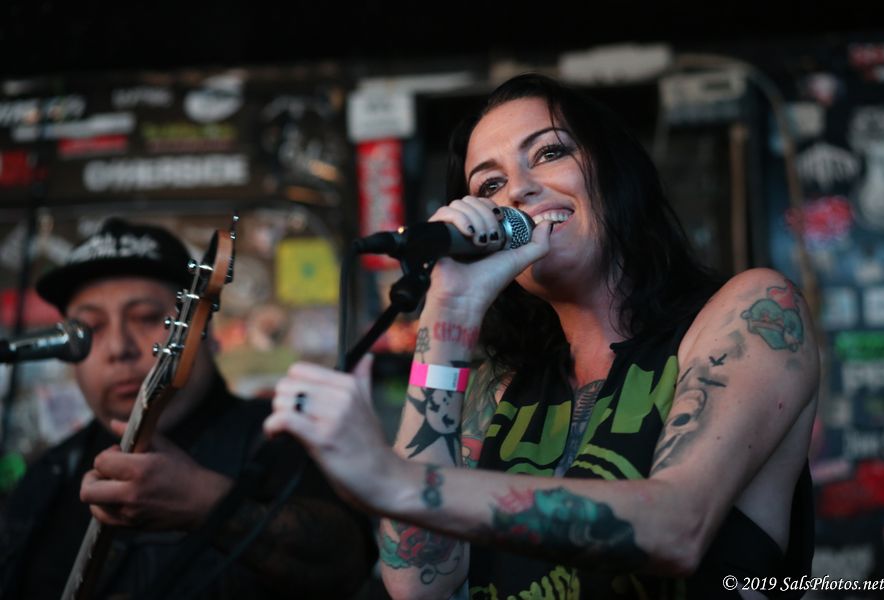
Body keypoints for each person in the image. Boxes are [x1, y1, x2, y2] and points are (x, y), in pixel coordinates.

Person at [265, 73, 819, 599]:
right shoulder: (499, 387)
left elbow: (679, 527)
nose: (520, 191)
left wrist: (395, 481)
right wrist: (449, 312)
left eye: (550, 153)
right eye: (491, 184)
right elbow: (418, 582)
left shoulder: (753, 311)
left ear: (614, 170)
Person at [0, 218, 375, 599]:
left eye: (147, 317)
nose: (118, 347)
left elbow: (346, 564)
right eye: (90, 327)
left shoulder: (285, 439)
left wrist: (207, 504)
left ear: (202, 330)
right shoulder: (50, 473)